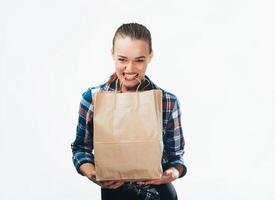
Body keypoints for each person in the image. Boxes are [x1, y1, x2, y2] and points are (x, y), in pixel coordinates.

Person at [71, 22, 187, 200]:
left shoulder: (167, 102)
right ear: (112, 55)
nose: (130, 69)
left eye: (139, 60)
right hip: (114, 195)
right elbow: (80, 149)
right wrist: (93, 174)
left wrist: (172, 173)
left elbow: (176, 158)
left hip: (159, 195)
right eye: (122, 59)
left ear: (150, 57)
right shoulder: (93, 99)